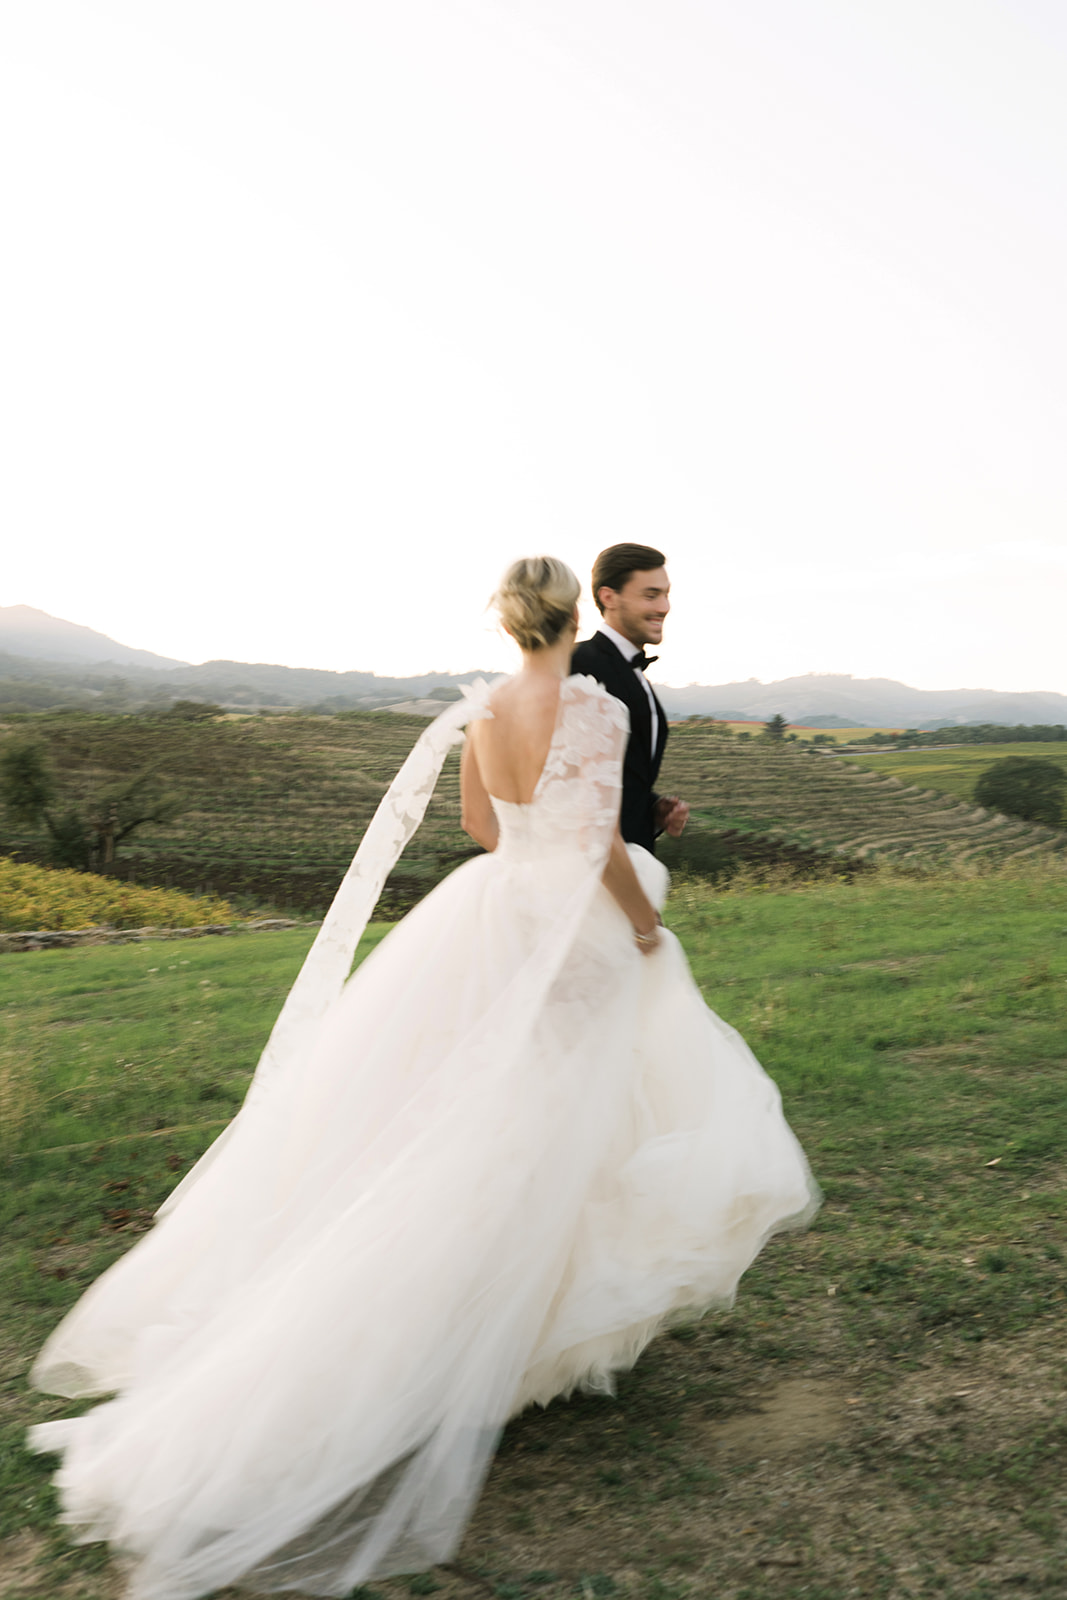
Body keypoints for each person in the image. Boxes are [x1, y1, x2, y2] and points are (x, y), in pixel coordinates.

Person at [29, 557, 818, 1599]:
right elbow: (596, 840)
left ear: (511, 621)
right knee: (550, 1112)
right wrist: (641, 924)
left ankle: (495, 1311)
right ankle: (499, 1318)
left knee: (483, 1106)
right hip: (573, 923)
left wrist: (534, 850)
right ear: (573, 616)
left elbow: (481, 830)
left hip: (493, 908)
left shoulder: (482, 708)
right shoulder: (590, 705)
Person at [571, 543, 689, 855]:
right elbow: (564, 777)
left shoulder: (636, 675)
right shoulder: (578, 665)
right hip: (591, 864)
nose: (664, 607)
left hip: (634, 858)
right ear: (609, 597)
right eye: (651, 595)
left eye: (666, 594)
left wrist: (652, 808)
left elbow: (618, 776)